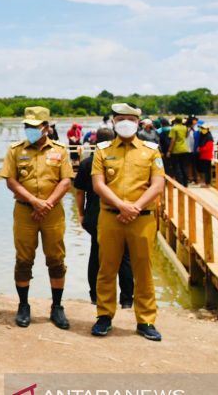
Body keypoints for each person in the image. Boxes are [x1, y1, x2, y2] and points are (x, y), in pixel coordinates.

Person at [90, 103, 165, 341]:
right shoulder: (102, 150)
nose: (124, 122)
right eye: (120, 118)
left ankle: (145, 320)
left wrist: (136, 207)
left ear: (138, 123)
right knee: (107, 268)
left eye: (129, 119)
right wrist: (122, 206)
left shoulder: (151, 151)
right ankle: (104, 316)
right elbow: (98, 184)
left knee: (143, 270)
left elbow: (158, 184)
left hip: (142, 219)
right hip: (111, 217)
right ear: (113, 122)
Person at [0, 106, 73, 330]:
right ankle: (23, 305)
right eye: (26, 126)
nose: (29, 130)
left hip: (53, 212)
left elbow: (66, 181)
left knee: (56, 258)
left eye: (34, 127)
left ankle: (57, 307)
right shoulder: (15, 150)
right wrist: (34, 201)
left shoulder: (60, 150)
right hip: (25, 211)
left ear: (46, 127)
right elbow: (11, 180)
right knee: (23, 259)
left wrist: (47, 203)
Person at [74, 127, 133, 308]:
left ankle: (95, 295)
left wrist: (81, 214)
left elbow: (79, 193)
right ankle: (126, 299)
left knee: (96, 255)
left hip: (94, 214)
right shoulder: (120, 161)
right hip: (118, 213)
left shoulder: (87, 163)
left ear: (94, 142)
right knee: (124, 257)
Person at [167, 116, 189, 186]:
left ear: (175, 121)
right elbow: (186, 136)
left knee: (176, 167)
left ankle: (179, 183)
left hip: (176, 150)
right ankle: (186, 183)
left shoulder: (174, 128)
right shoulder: (185, 128)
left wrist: (169, 150)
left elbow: (173, 140)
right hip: (184, 149)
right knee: (184, 166)